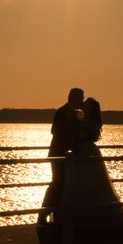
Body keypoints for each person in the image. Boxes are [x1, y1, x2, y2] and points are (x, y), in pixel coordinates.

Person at [61, 97, 123, 229]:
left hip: (88, 151)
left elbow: (91, 135)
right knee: (83, 182)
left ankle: (92, 214)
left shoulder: (92, 121)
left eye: (87, 105)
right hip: (82, 152)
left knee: (91, 181)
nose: (84, 106)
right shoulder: (83, 118)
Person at [37, 87, 84, 225]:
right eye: (80, 98)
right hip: (59, 153)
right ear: (74, 98)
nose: (81, 101)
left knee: (63, 184)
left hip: (65, 154)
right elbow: (54, 131)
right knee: (57, 183)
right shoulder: (62, 112)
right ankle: (44, 213)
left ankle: (57, 214)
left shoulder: (73, 113)